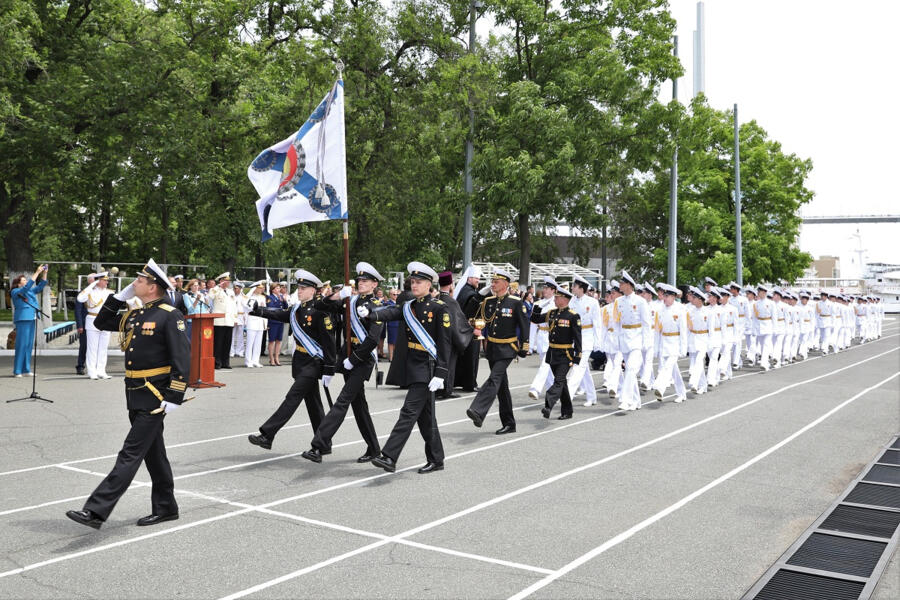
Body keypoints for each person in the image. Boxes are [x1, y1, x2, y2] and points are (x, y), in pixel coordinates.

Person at [65, 259, 190, 530]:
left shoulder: (170, 315)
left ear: (153, 287)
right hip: (135, 393)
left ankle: (96, 510)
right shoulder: (137, 314)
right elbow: (101, 321)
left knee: (130, 453)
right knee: (154, 454)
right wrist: (119, 297)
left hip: (156, 396)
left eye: (140, 281)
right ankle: (166, 507)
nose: (135, 284)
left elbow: (182, 358)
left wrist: (175, 394)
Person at [359, 262, 449, 474]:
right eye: (413, 282)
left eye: (419, 282)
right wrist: (370, 314)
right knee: (426, 417)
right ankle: (437, 459)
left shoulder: (439, 308)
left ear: (429, 285)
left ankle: (389, 456)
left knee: (408, 411)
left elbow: (445, 343)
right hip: (413, 363)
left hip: (427, 366)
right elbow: (391, 313)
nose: (414, 285)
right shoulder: (410, 306)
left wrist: (441, 372)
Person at [301, 262, 385, 464]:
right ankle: (374, 448)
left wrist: (353, 360)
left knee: (342, 401)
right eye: (360, 280)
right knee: (359, 405)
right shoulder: (351, 300)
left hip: (361, 360)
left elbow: (373, 339)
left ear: (374, 284)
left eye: (366, 281)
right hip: (348, 355)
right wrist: (337, 296)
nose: (361, 283)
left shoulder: (377, 307)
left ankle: (319, 445)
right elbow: (320, 305)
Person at [247, 270, 334, 451]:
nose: (299, 291)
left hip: (313, 362)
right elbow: (279, 314)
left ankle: (267, 434)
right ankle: (324, 444)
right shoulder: (297, 308)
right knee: (313, 404)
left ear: (313, 290)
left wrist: (329, 369)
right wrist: (257, 310)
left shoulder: (321, 310)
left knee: (292, 398)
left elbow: (329, 342)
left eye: (303, 288)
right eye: (299, 288)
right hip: (300, 361)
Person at [465, 268, 530, 434]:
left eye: (496, 281)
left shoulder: (515, 302)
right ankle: (509, 423)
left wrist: (525, 346)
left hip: (508, 348)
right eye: (492, 281)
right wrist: (479, 296)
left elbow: (524, 326)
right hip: (492, 348)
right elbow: (468, 313)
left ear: (506, 284)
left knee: (494, 378)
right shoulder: (489, 301)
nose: (492, 284)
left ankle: (478, 410)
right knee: (502, 387)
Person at [530, 284, 581, 419]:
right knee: (562, 383)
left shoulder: (573, 316)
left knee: (558, 381)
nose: (555, 299)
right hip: (552, 352)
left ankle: (548, 405)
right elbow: (535, 319)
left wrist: (578, 355)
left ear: (565, 299)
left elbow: (578, 338)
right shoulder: (551, 313)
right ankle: (567, 411)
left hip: (565, 353)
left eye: (557, 297)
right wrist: (536, 308)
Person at [612, 271, 651, 411]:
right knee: (630, 371)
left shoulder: (640, 301)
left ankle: (625, 399)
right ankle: (636, 401)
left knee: (630, 369)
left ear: (629, 285)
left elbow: (647, 323)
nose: (620, 286)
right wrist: (616, 340)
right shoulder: (618, 301)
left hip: (636, 338)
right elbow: (616, 322)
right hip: (624, 338)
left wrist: (647, 342)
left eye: (622, 283)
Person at [436, 270, 473, 399]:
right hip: (449, 339)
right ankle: (447, 390)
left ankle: (437, 389)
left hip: (436, 338)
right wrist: (470, 329)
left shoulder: (436, 299)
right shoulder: (451, 302)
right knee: (450, 364)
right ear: (451, 284)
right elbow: (459, 321)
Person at [565, 275, 601, 407]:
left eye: (574, 285)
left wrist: (598, 341)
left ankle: (567, 395)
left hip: (587, 337)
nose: (572, 288)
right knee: (584, 369)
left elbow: (597, 323)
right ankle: (592, 397)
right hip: (575, 337)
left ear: (581, 288)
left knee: (578, 367)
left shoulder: (592, 302)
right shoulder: (571, 301)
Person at [10, 265, 49, 377]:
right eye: (24, 280)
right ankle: (17, 370)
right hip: (23, 318)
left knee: (28, 344)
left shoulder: (29, 292)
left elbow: (40, 286)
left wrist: (44, 273)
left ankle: (26, 369)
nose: (26, 281)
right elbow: (26, 287)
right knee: (21, 344)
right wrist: (37, 272)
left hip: (32, 318)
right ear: (18, 283)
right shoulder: (16, 291)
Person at [651, 283, 688, 403]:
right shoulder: (659, 310)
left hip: (675, 342)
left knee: (667, 367)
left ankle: (659, 387)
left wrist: (683, 348)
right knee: (673, 370)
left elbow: (683, 331)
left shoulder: (680, 309)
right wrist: (655, 348)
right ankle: (681, 393)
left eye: (666, 296)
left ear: (673, 296)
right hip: (664, 342)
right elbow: (657, 331)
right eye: (663, 295)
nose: (664, 298)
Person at [77, 271, 115, 379]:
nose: (107, 282)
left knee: (103, 348)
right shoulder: (90, 292)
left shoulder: (109, 292)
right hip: (92, 320)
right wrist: (92, 284)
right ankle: (92, 371)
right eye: (104, 280)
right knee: (92, 348)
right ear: (98, 281)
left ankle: (101, 371)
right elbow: (80, 298)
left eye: (107, 280)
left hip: (105, 321)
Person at [453, 265, 484, 392]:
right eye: (476, 278)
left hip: (465, 329)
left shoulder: (465, 291)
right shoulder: (470, 293)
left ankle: (463, 381)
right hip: (471, 328)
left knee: (464, 357)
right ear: (469, 278)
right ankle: (470, 383)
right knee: (471, 357)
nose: (478, 280)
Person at [527, 277, 559, 400]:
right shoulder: (537, 304)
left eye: (547, 288)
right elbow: (533, 326)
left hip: (552, 337)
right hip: (541, 337)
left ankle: (535, 388)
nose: (544, 290)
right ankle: (555, 393)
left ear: (553, 290)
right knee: (548, 370)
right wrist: (530, 345)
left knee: (545, 365)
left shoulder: (556, 304)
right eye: (544, 288)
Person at [208, 272, 236, 370]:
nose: (227, 283)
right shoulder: (215, 290)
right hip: (219, 321)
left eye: (228, 281)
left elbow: (234, 306)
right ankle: (217, 363)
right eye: (225, 281)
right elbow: (210, 296)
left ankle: (226, 362)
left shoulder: (231, 292)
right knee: (218, 343)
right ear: (220, 281)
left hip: (229, 320)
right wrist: (217, 287)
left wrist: (235, 318)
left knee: (227, 343)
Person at [244, 282, 267, 368]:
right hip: (252, 321)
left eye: (262, 288)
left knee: (258, 343)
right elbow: (246, 307)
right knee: (250, 343)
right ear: (255, 289)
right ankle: (248, 361)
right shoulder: (249, 297)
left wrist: (265, 323)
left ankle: (255, 360)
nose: (261, 290)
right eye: (259, 288)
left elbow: (265, 311)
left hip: (260, 322)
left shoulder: (262, 298)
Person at [74, 274, 91, 375]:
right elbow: (78, 311)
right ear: (90, 281)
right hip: (85, 324)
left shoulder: (101, 293)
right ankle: (80, 366)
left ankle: (94, 367)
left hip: (97, 324)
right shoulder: (83, 294)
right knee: (84, 346)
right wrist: (80, 325)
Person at [267, 283, 287, 366]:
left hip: (280, 321)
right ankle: (271, 359)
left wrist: (284, 301)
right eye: (277, 288)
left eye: (279, 288)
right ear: (273, 290)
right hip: (273, 321)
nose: (279, 290)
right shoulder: (269, 297)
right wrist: (278, 300)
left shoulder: (281, 297)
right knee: (272, 341)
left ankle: (277, 358)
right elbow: (270, 307)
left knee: (279, 341)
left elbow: (285, 307)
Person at [230, 281, 247, 359]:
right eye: (234, 288)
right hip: (233, 316)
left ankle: (239, 351)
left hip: (241, 316)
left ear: (240, 289)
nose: (235, 290)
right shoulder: (231, 296)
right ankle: (231, 351)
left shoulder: (244, 297)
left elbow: (246, 309)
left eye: (237, 288)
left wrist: (245, 318)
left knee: (240, 336)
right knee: (232, 335)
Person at [385, 289, 400, 360]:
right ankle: (391, 357)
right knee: (391, 342)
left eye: (397, 294)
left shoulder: (399, 302)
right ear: (390, 295)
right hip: (392, 324)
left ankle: (395, 356)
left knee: (397, 342)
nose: (396, 296)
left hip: (398, 324)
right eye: (394, 294)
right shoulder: (388, 303)